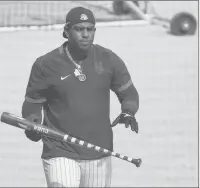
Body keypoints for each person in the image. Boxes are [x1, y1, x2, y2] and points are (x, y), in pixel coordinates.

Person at [22, 6, 139, 187]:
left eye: (89, 29)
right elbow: (31, 104)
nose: (85, 34)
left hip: (99, 151)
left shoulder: (108, 60)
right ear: (66, 31)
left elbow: (129, 94)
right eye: (79, 29)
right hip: (59, 151)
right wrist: (33, 123)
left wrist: (128, 111)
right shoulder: (45, 65)